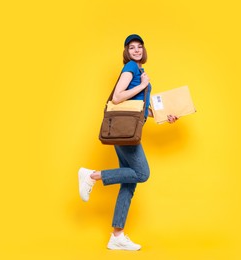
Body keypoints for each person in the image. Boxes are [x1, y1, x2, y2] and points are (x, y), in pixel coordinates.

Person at [78, 34, 178, 251]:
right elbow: (117, 97)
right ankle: (93, 175)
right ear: (127, 52)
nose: (136, 50)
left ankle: (117, 236)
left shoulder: (140, 71)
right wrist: (142, 85)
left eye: (139, 47)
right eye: (131, 47)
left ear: (143, 50)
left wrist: (165, 115)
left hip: (128, 129)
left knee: (129, 184)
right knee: (142, 174)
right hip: (126, 131)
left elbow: (138, 107)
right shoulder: (131, 68)